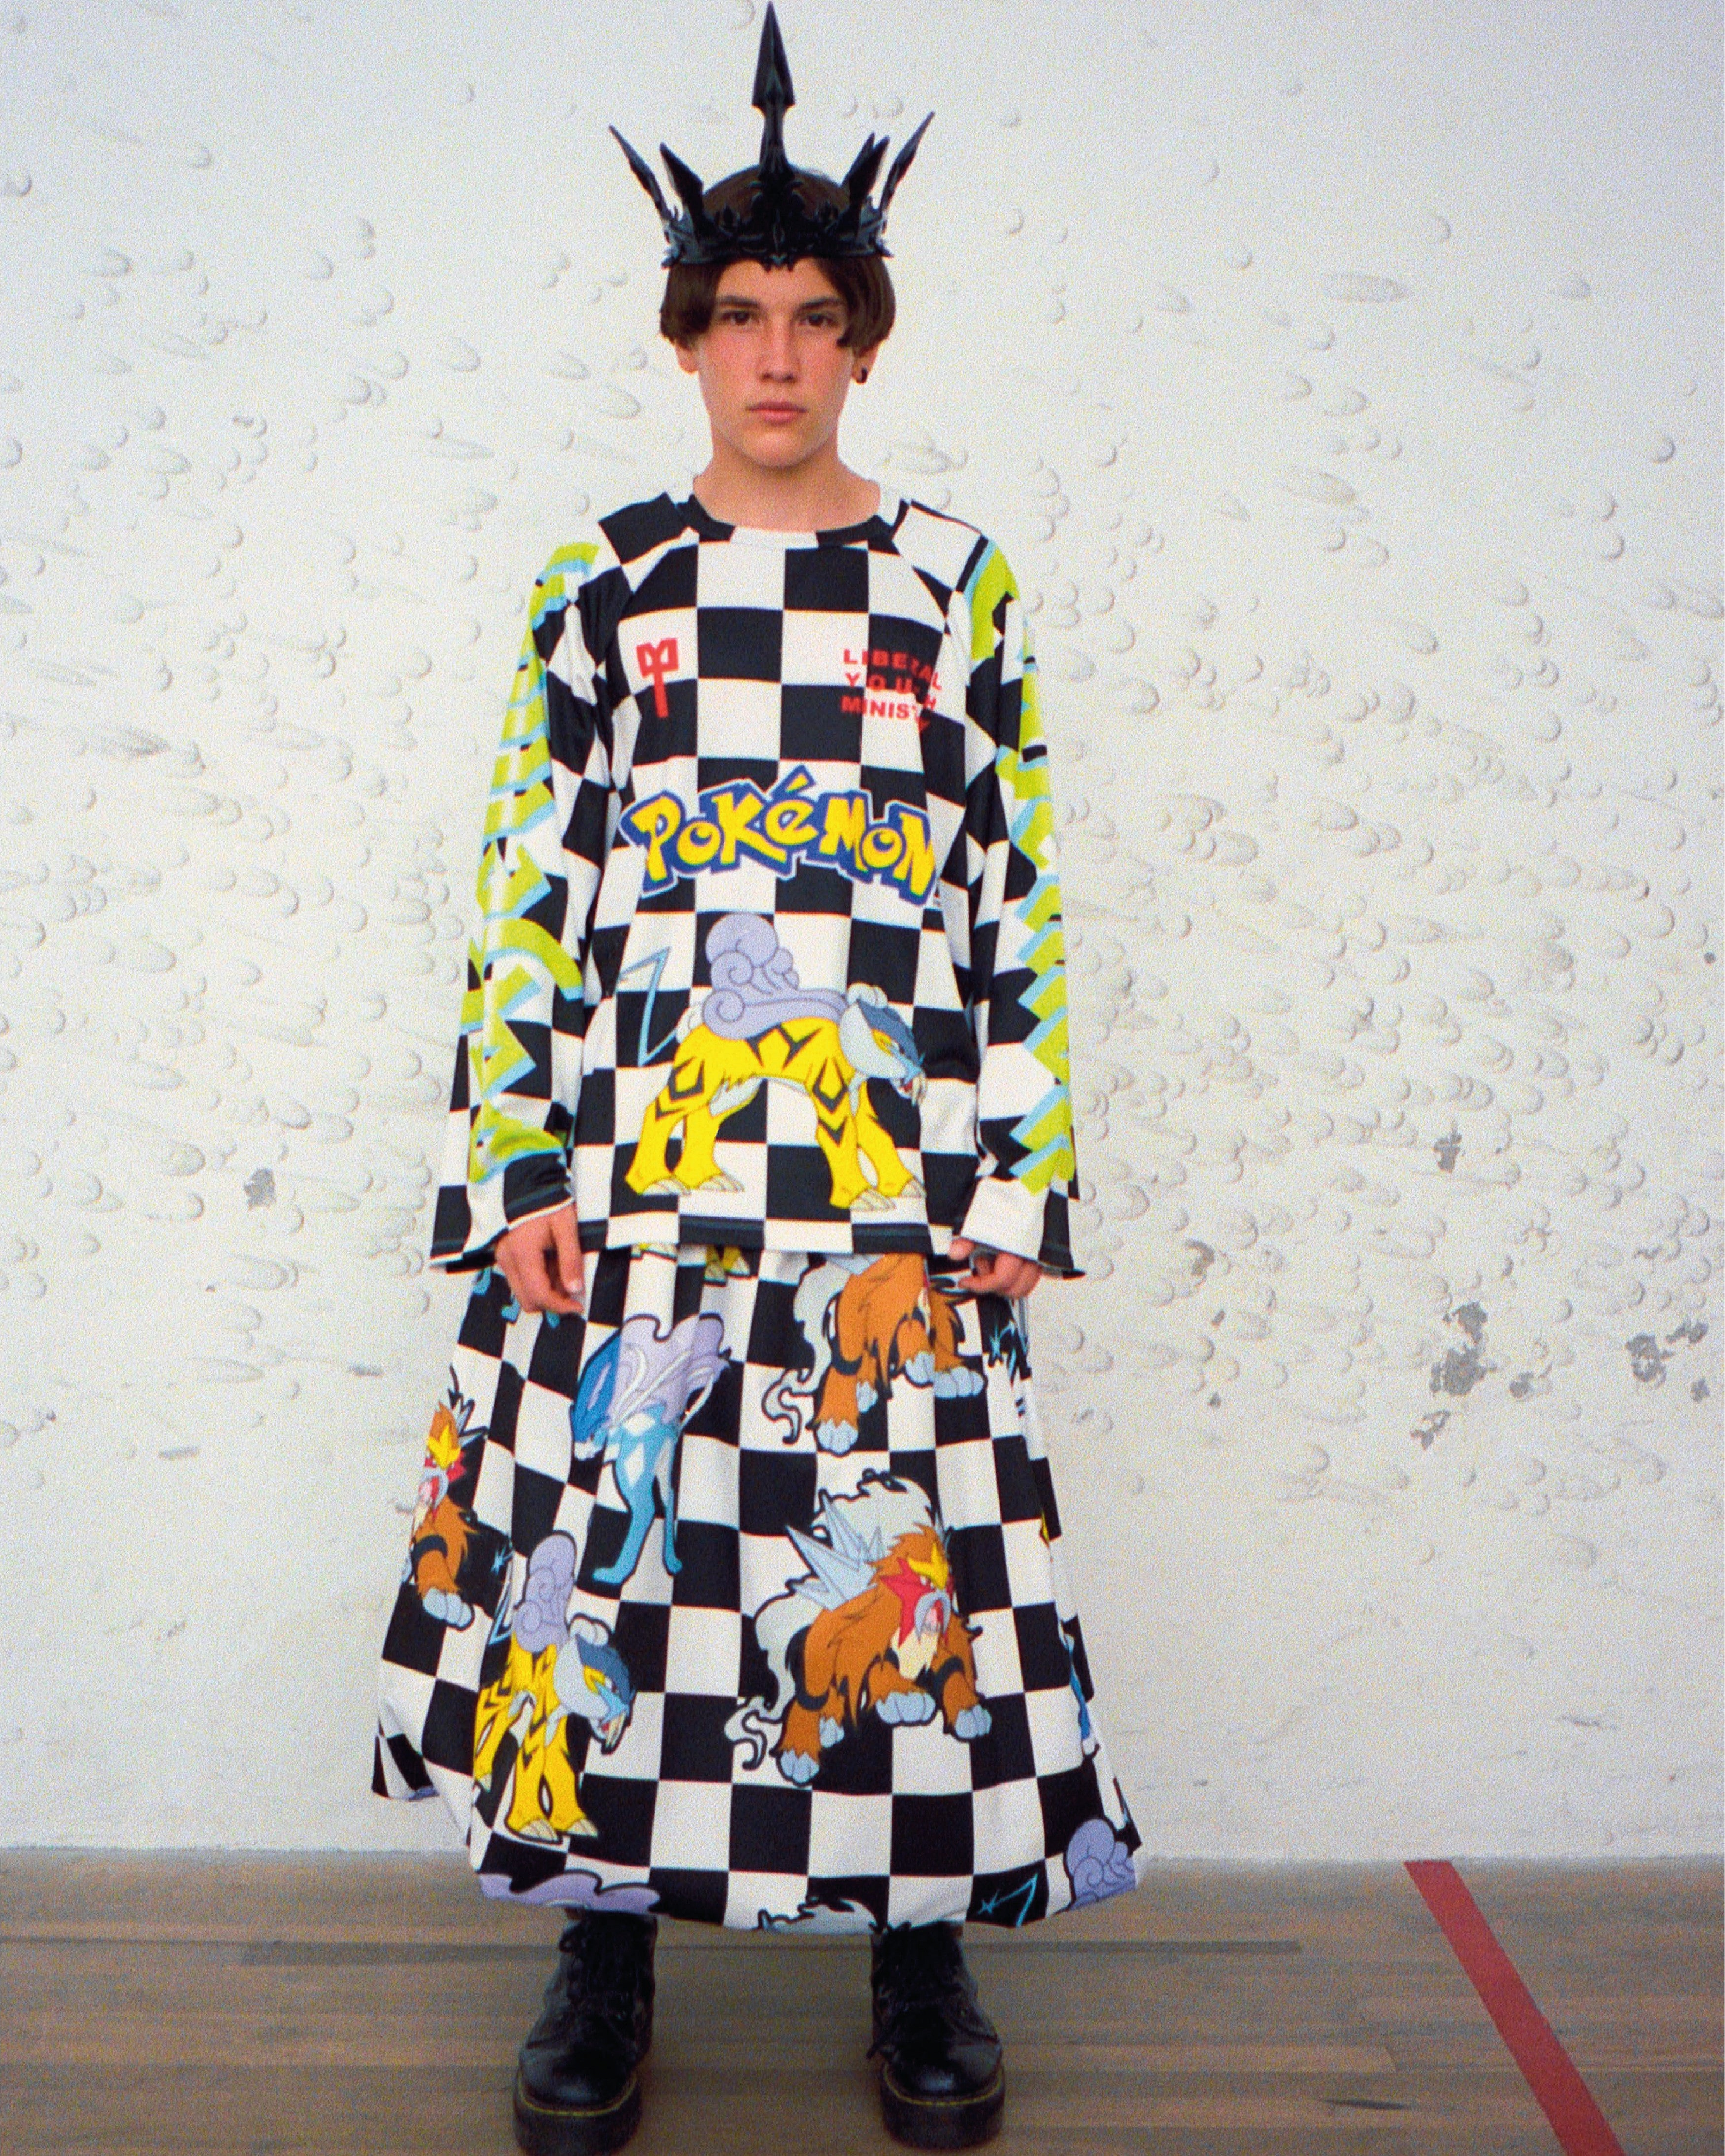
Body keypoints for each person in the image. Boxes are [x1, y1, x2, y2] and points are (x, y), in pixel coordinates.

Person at [373, 12, 1143, 2151]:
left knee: (902, 1553)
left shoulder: (952, 584)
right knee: (617, 1556)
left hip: (888, 1177)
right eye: (738, 317)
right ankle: (601, 1945)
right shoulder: (601, 584)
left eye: (813, 317)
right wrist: (520, 1158)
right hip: (644, 1170)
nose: (776, 356)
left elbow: (1012, 892)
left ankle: (921, 1945)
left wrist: (1014, 1178)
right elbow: (528, 885)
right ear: (686, 341)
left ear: (863, 342)